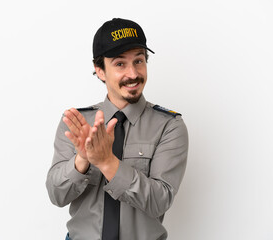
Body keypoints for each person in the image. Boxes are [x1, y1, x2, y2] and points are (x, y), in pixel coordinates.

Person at [46, 18, 188, 240]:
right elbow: (57, 195)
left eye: (139, 61)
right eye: (120, 64)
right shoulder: (77, 123)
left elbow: (159, 202)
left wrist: (106, 162)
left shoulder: (169, 126)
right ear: (100, 70)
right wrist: (82, 159)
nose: (133, 74)